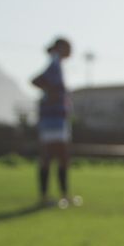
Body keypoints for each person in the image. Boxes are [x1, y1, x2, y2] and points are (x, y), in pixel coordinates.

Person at [30, 37, 80, 209]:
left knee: (52, 157)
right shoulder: (54, 62)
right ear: (60, 47)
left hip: (54, 117)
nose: (71, 51)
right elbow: (36, 80)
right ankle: (61, 197)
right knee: (58, 157)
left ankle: (52, 197)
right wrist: (51, 93)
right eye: (69, 47)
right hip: (53, 119)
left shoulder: (56, 63)